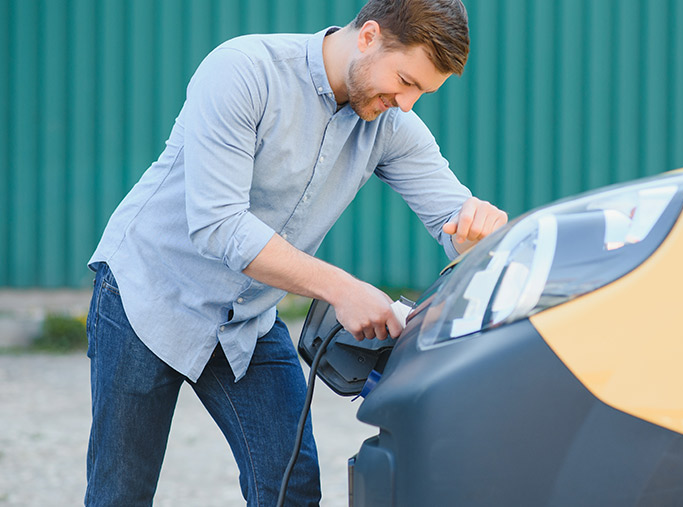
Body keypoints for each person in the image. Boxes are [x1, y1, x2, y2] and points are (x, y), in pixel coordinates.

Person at [83, 0, 507, 505]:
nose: (408, 103)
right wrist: (341, 288)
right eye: (406, 81)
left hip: (246, 321)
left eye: (421, 92)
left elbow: (451, 219)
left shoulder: (390, 123)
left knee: (292, 489)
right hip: (148, 296)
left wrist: (475, 230)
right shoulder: (244, 70)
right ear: (369, 36)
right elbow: (219, 225)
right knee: (120, 494)